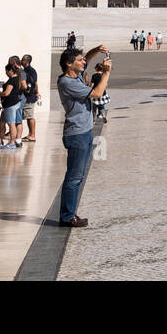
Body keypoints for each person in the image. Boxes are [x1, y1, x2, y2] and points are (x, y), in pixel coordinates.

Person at [56, 44, 111, 228]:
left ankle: (70, 213)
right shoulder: (67, 82)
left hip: (84, 131)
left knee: (77, 176)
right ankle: (67, 216)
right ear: (68, 64)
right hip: (77, 133)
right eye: (79, 60)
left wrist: (96, 50)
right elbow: (97, 93)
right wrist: (106, 73)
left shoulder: (75, 75)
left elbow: (87, 57)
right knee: (74, 177)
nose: (83, 62)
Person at [0, 65, 24, 149]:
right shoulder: (17, 79)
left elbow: (6, 93)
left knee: (11, 124)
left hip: (10, 105)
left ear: (11, 71)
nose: (6, 73)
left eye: (6, 71)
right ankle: (0, 140)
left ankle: (12, 142)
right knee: (1, 123)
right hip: (11, 104)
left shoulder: (13, 80)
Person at [20, 54, 40, 142]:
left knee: (30, 116)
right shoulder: (25, 70)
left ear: (27, 61)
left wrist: (36, 93)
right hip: (28, 96)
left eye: (23, 60)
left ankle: (33, 135)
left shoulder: (31, 71)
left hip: (30, 96)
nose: (21, 61)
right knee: (28, 116)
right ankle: (30, 134)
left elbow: (34, 83)